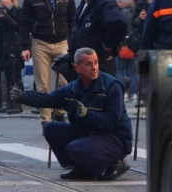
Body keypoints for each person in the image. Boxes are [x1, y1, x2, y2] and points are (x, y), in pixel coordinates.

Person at [9, 47, 132, 181]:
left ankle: (114, 163)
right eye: (89, 64)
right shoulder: (73, 88)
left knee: (76, 148)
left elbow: (112, 121)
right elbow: (48, 99)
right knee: (50, 128)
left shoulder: (111, 86)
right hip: (90, 134)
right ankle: (82, 168)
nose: (94, 67)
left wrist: (87, 115)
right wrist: (23, 97)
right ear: (77, 68)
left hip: (114, 137)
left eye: (96, 62)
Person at [18, 0, 76, 125]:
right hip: (40, 42)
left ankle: (59, 113)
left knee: (63, 81)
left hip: (62, 41)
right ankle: (45, 119)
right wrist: (24, 47)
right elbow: (24, 23)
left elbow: (73, 18)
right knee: (42, 83)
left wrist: (73, 41)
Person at [67, 0, 129, 75]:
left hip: (99, 67)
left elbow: (120, 23)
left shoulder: (105, 3)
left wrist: (107, 45)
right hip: (83, 67)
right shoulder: (84, 4)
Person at [0, 0, 22, 100]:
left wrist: (6, 17)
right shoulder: (0, 11)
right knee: (8, 78)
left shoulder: (17, 10)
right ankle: (9, 102)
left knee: (15, 77)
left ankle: (16, 102)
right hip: (3, 48)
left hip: (14, 48)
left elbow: (17, 26)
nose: (4, 1)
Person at [115, 0, 137, 102]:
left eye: (120, 2)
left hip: (121, 46)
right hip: (132, 46)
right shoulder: (135, 13)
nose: (118, 4)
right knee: (132, 72)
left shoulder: (120, 14)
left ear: (123, 2)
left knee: (119, 71)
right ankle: (134, 94)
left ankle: (123, 94)